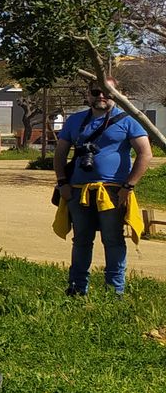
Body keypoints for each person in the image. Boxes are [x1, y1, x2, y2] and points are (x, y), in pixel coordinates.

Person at [55, 79, 151, 297]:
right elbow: (60, 153)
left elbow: (145, 153)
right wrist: (62, 183)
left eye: (107, 92)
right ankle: (77, 289)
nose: (101, 96)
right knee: (81, 240)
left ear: (116, 94)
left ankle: (114, 292)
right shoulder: (76, 121)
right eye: (96, 92)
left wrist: (129, 186)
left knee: (113, 240)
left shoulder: (128, 121)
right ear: (88, 94)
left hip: (113, 191)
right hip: (79, 190)